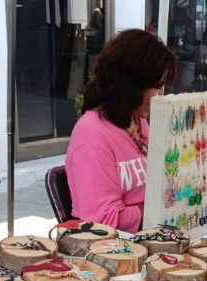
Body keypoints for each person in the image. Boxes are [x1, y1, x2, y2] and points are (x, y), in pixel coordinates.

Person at [64, 30, 178, 233]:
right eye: (157, 87)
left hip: (149, 235)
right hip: (114, 244)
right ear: (131, 86)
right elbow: (103, 222)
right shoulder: (91, 135)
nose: (161, 96)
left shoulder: (137, 121)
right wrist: (154, 208)